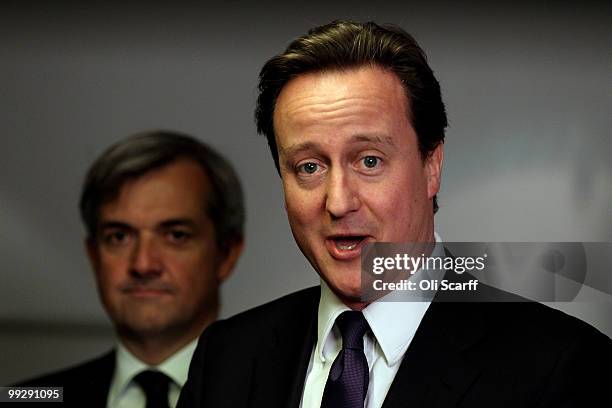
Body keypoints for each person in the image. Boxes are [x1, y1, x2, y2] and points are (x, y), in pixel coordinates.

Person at [177, 21, 612, 407]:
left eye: (369, 161)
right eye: (309, 167)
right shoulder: (227, 357)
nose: (338, 202)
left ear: (431, 167)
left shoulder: (562, 366)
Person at [21, 131, 244, 408]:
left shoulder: (285, 394)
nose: (143, 264)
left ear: (227, 254)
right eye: (119, 237)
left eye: (176, 235)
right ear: (93, 254)